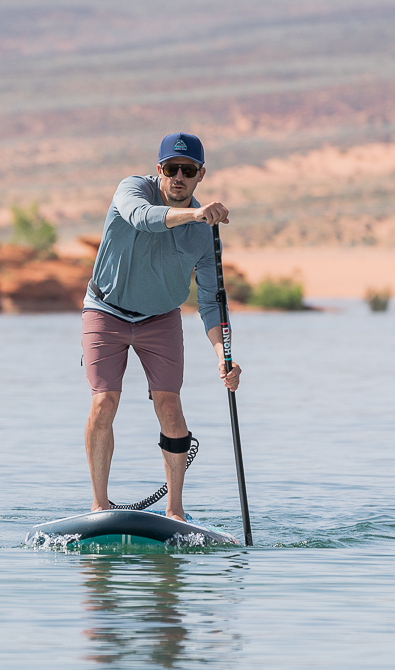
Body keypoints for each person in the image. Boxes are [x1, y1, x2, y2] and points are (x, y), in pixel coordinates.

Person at [82, 131, 241, 521]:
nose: (178, 177)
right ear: (159, 170)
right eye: (172, 169)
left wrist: (225, 358)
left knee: (170, 407)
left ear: (200, 175)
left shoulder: (203, 232)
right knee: (104, 401)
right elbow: (143, 219)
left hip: (161, 319)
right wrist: (195, 214)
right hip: (106, 311)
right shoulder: (132, 189)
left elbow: (210, 304)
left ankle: (175, 512)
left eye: (188, 170)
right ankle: (99, 506)